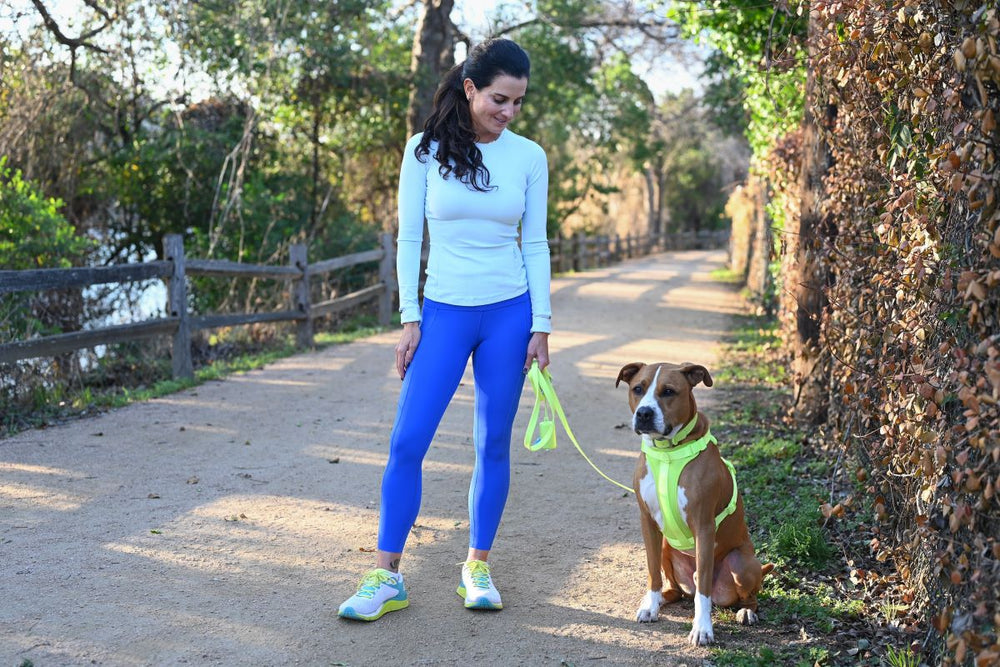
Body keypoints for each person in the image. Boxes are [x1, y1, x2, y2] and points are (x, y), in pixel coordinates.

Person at [338, 37, 551, 621]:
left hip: (509, 312)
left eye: (517, 103)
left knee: (491, 443)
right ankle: (386, 577)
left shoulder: (529, 157)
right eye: (499, 99)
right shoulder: (423, 150)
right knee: (407, 442)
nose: (507, 113)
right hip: (443, 313)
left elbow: (534, 242)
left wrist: (542, 324)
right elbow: (410, 239)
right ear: (470, 88)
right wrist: (410, 319)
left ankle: (477, 566)